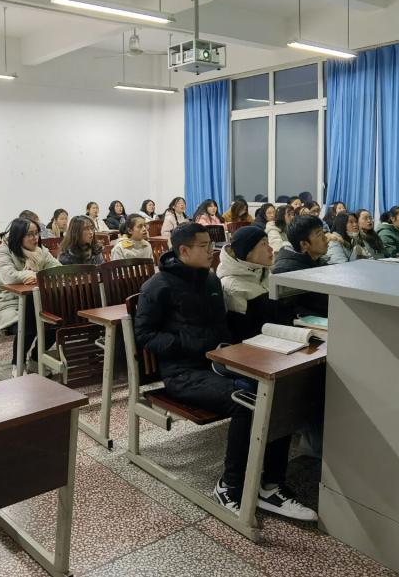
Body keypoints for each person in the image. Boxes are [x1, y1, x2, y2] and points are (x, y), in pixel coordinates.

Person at [134, 223, 316, 521]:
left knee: (277, 393)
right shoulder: (158, 286)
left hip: (219, 363)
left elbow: (222, 326)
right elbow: (144, 335)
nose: (212, 250)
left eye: (212, 244)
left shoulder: (209, 279)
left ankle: (270, 485)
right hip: (183, 373)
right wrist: (191, 344)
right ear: (183, 250)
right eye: (205, 246)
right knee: (246, 401)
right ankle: (229, 486)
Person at [0, 217, 61, 366]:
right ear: (18, 235)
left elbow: (57, 269)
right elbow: (8, 276)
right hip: (9, 303)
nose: (35, 238)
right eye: (29, 234)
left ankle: (35, 358)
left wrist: (36, 277)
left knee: (57, 322)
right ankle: (18, 364)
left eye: (36, 233)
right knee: (29, 324)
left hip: (38, 301)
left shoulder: (41, 251)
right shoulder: (4, 251)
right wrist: (34, 275)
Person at [217, 226, 293, 340]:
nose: (271, 249)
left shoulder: (264, 272)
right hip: (260, 344)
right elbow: (242, 334)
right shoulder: (232, 287)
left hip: (281, 336)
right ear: (247, 251)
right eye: (264, 244)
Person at [271, 216, 330, 316]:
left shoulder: (316, 260)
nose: (326, 238)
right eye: (319, 235)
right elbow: (291, 313)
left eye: (323, 233)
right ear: (304, 244)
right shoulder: (286, 271)